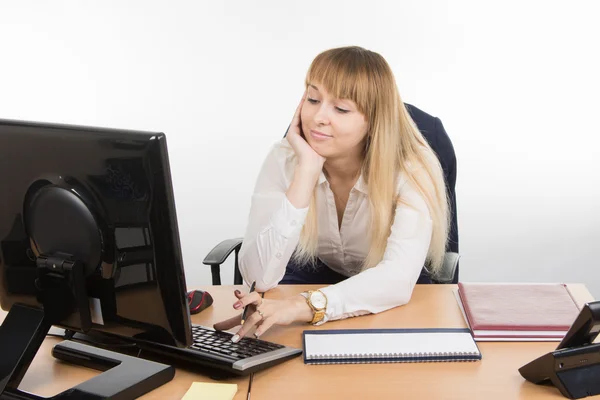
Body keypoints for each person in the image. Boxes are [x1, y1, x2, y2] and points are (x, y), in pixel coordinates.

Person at [215, 46, 450, 343]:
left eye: (341, 108)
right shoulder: (286, 157)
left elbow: (397, 278)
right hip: (317, 273)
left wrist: (304, 305)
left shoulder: (413, 165)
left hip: (391, 291)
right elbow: (259, 277)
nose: (318, 118)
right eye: (312, 99)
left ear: (374, 120)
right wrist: (306, 171)